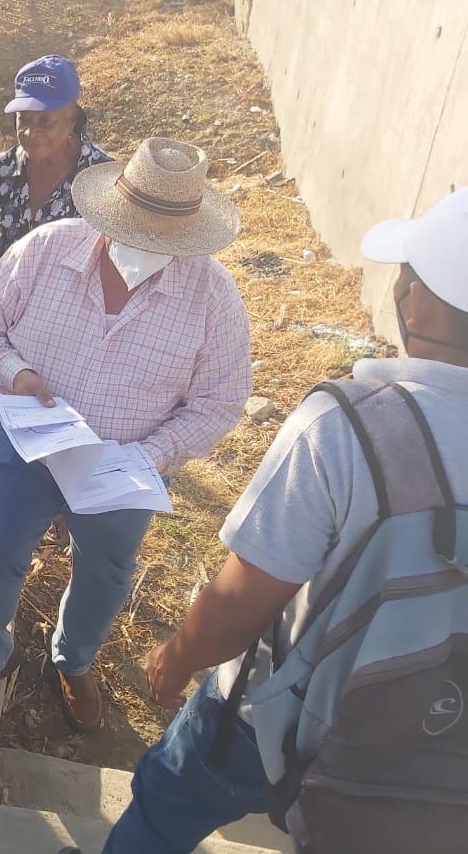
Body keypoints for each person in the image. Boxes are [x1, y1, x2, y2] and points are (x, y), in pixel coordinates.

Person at [102, 191, 468, 853]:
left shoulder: (351, 427)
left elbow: (240, 603)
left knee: (164, 803)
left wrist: (175, 660)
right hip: (430, 755)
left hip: (276, 721)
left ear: (416, 303)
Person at [0, 137, 252, 732]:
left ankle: (73, 658)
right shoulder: (46, 250)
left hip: (125, 464)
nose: (144, 246)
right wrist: (16, 373)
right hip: (30, 443)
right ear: (110, 210)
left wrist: (149, 454)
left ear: (189, 236)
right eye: (134, 229)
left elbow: (220, 402)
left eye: (163, 237)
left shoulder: (213, 296)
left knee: (106, 574)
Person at [0, 54, 113, 519]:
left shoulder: (101, 178)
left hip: (65, 322)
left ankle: (56, 497)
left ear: (73, 117)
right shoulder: (1, 169)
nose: (31, 131)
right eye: (23, 119)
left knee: (54, 405)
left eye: (46, 120)